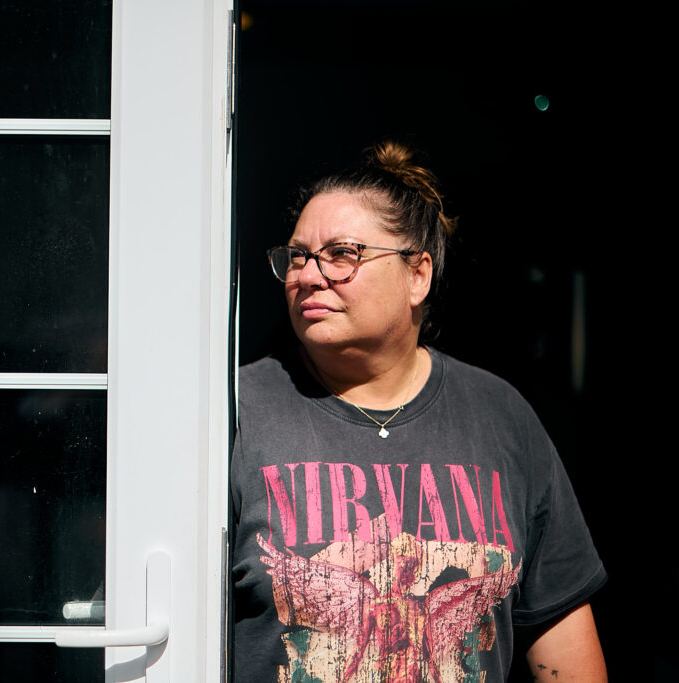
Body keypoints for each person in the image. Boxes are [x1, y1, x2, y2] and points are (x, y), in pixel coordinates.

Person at [230, 141, 606, 682]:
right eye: (296, 256)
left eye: (342, 254)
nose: (309, 276)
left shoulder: (500, 418)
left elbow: (564, 646)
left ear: (417, 275)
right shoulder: (238, 412)